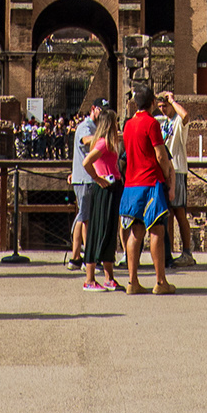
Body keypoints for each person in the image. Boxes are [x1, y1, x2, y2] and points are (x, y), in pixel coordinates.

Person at [118, 89, 178, 297]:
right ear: (153, 102)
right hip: (151, 182)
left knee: (135, 231)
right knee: (157, 231)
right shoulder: (152, 124)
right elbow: (161, 155)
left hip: (131, 184)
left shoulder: (127, 125)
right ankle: (160, 281)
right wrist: (167, 176)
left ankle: (132, 281)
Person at [74, 108, 125, 293]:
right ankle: (89, 278)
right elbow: (86, 161)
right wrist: (98, 178)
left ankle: (109, 277)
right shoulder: (103, 143)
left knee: (109, 232)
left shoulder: (111, 142)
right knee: (98, 231)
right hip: (104, 188)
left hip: (113, 187)